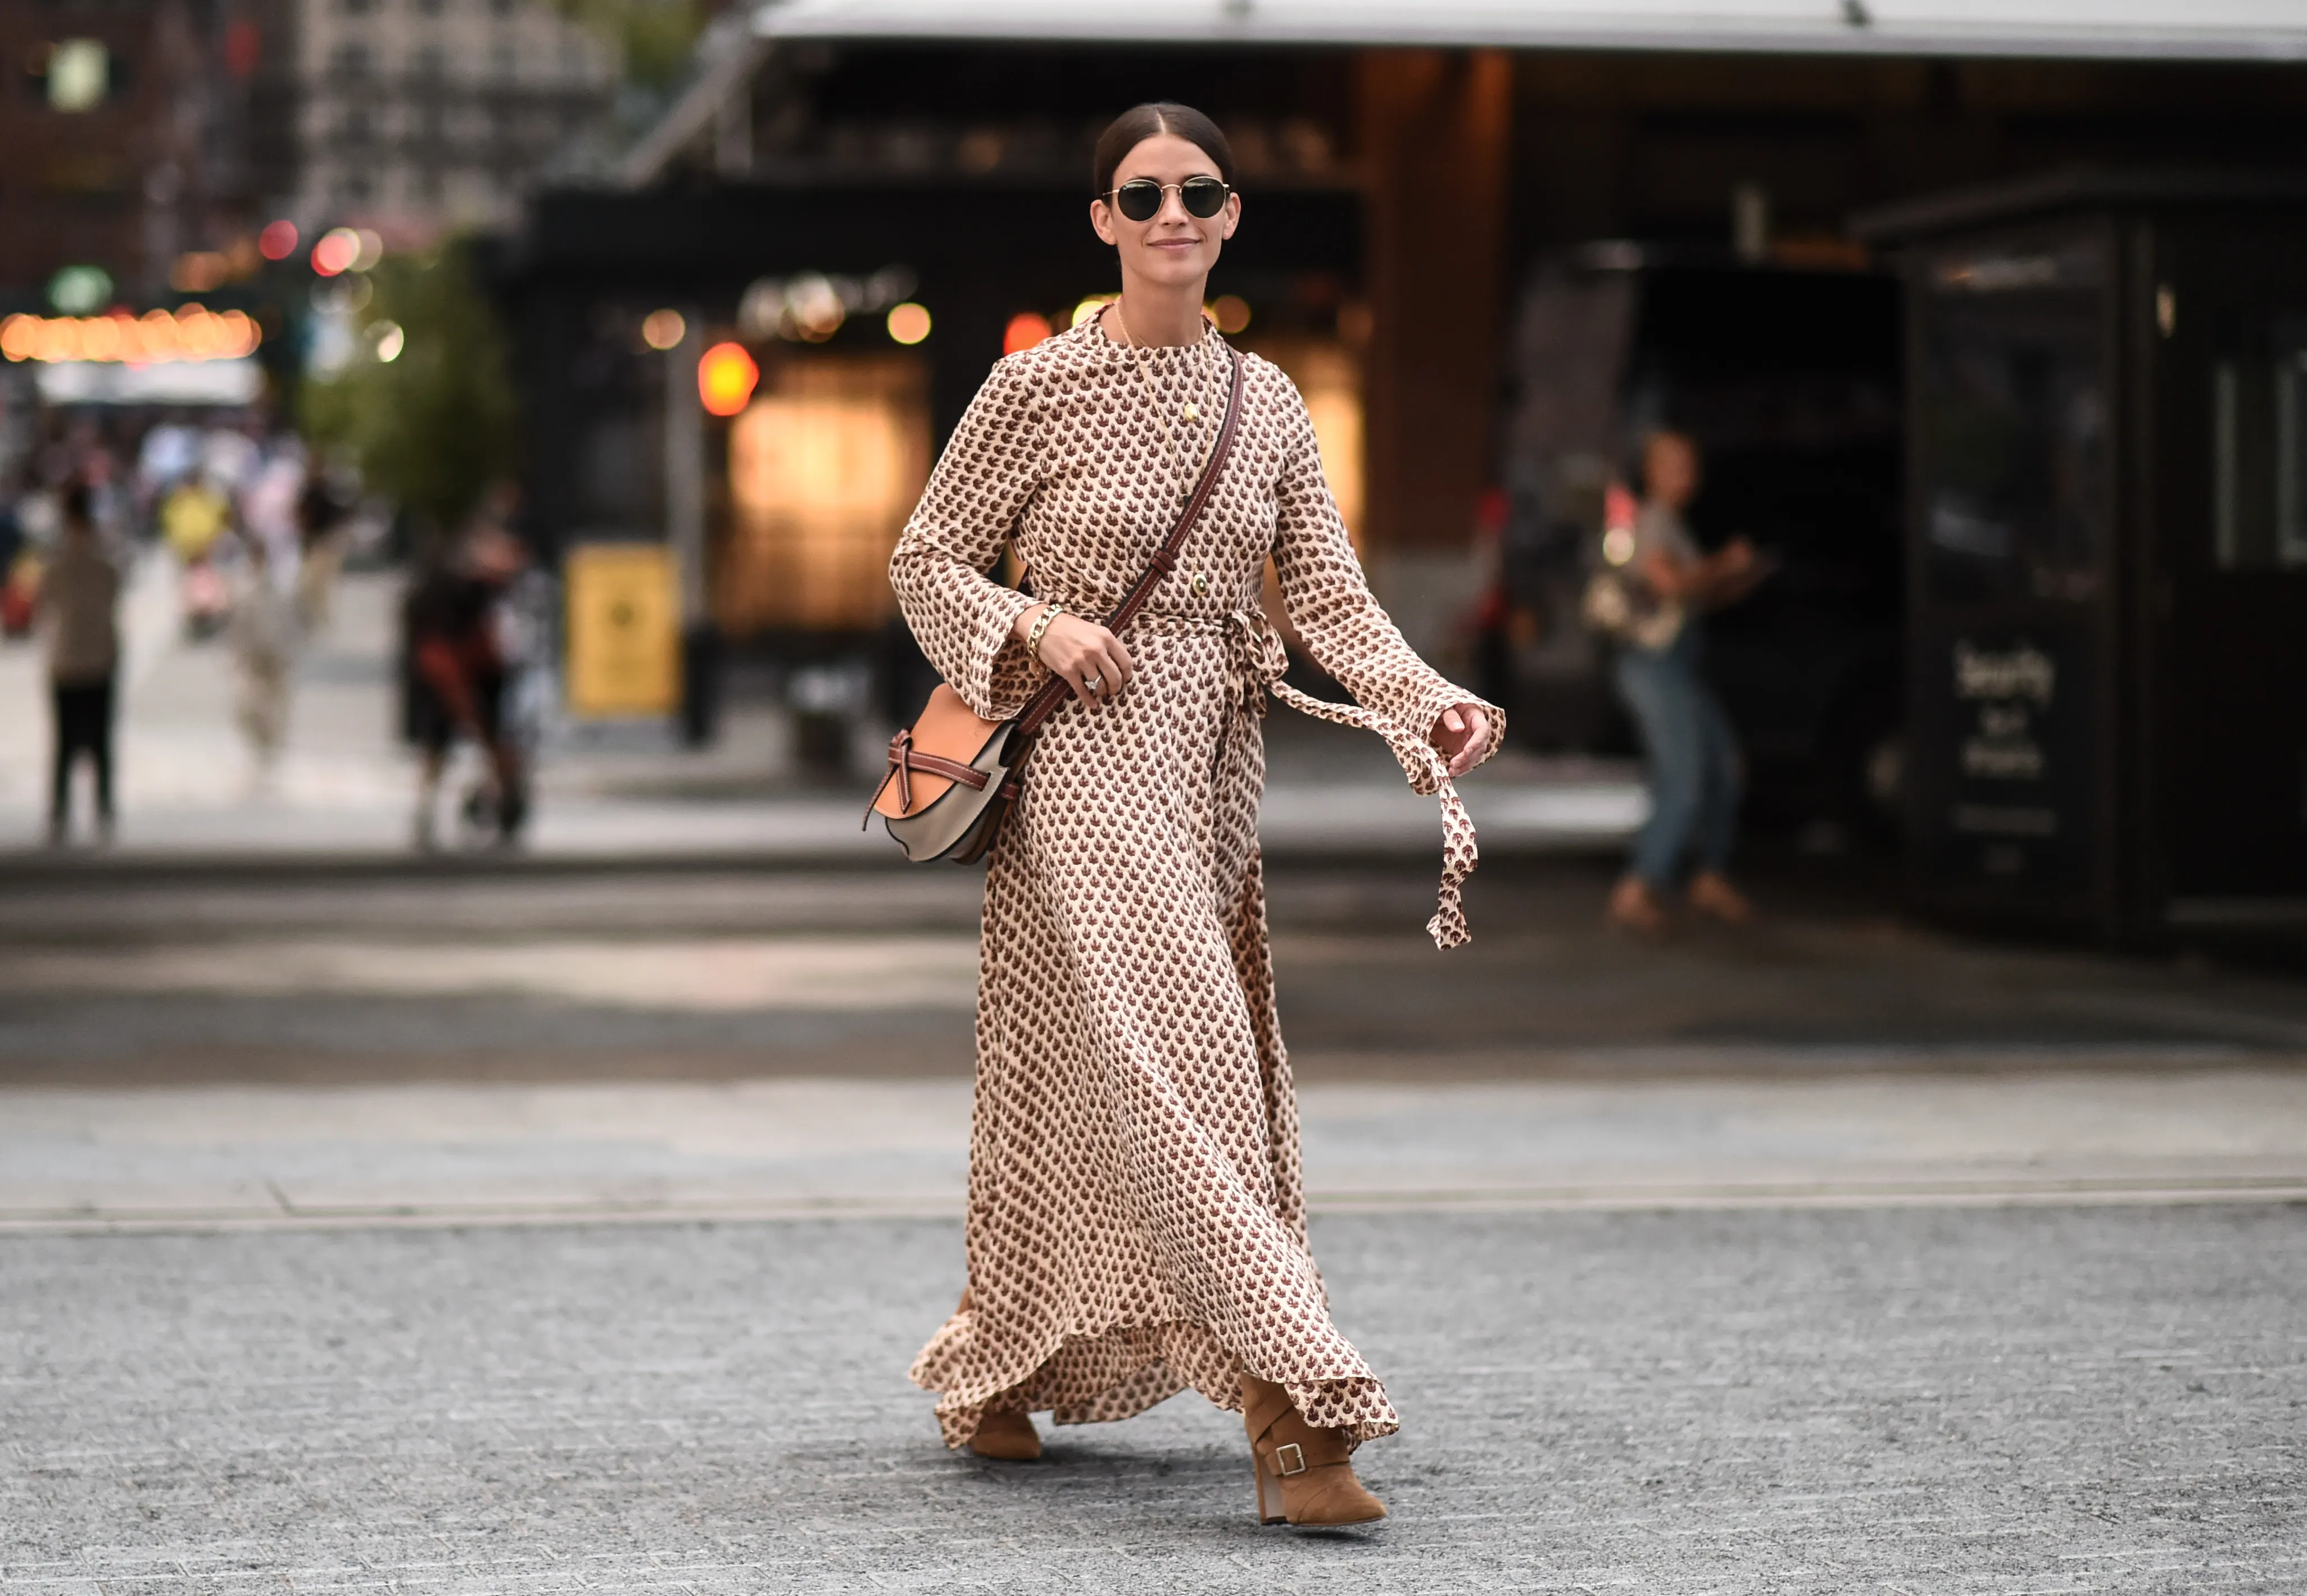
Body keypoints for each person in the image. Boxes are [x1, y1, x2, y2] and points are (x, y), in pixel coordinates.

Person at [889, 102, 1501, 1529]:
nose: (1174, 213)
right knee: (1196, 1069)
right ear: (1101, 219)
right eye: (1142, 193)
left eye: (1200, 192)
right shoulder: (1030, 385)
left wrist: (1427, 700)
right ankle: (1301, 1410)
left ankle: (993, 1360)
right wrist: (1037, 623)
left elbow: (1333, 601)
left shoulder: (1270, 400)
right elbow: (926, 564)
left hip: (1210, 771)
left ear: (1230, 217)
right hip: (1080, 768)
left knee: (1074, 1076)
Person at [1605, 430, 1769, 935]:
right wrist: (1724, 564)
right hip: (1653, 667)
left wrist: (1728, 585)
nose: (1687, 476)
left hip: (1679, 667)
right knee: (1682, 776)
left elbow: (1685, 600)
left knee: (1725, 765)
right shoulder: (1653, 521)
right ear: (1652, 472)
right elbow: (1668, 584)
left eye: (1690, 465)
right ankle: (1638, 887)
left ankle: (1709, 876)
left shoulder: (1673, 524)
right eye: (1675, 466)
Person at [403, 520, 528, 849]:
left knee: (490, 744)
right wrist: (460, 696)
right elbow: (436, 653)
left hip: (479, 676)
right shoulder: (452, 592)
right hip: (448, 676)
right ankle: (428, 811)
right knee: (438, 748)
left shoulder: (488, 592)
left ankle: (494, 802)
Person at [38, 484, 121, 845]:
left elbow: (45, 601)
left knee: (65, 743)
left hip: (69, 658)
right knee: (99, 742)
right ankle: (101, 811)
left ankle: (63, 812)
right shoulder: (103, 563)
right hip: (96, 656)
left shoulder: (56, 564)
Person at [228, 533, 300, 786]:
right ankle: (261, 746)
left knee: (275, 707)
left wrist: (289, 653)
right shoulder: (243, 587)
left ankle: (271, 750)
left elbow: (291, 623)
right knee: (248, 708)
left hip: (276, 657)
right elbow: (237, 626)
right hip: (252, 659)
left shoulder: (280, 587)